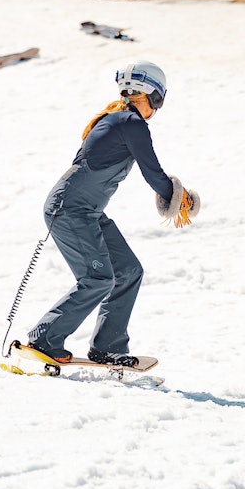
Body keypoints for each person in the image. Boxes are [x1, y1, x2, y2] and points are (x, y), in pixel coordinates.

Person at [25, 61, 200, 367]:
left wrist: (173, 194)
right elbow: (153, 173)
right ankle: (44, 338)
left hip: (86, 212)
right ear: (155, 97)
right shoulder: (129, 124)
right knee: (97, 278)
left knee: (128, 271)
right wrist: (178, 195)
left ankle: (108, 346)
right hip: (70, 211)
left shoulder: (117, 119)